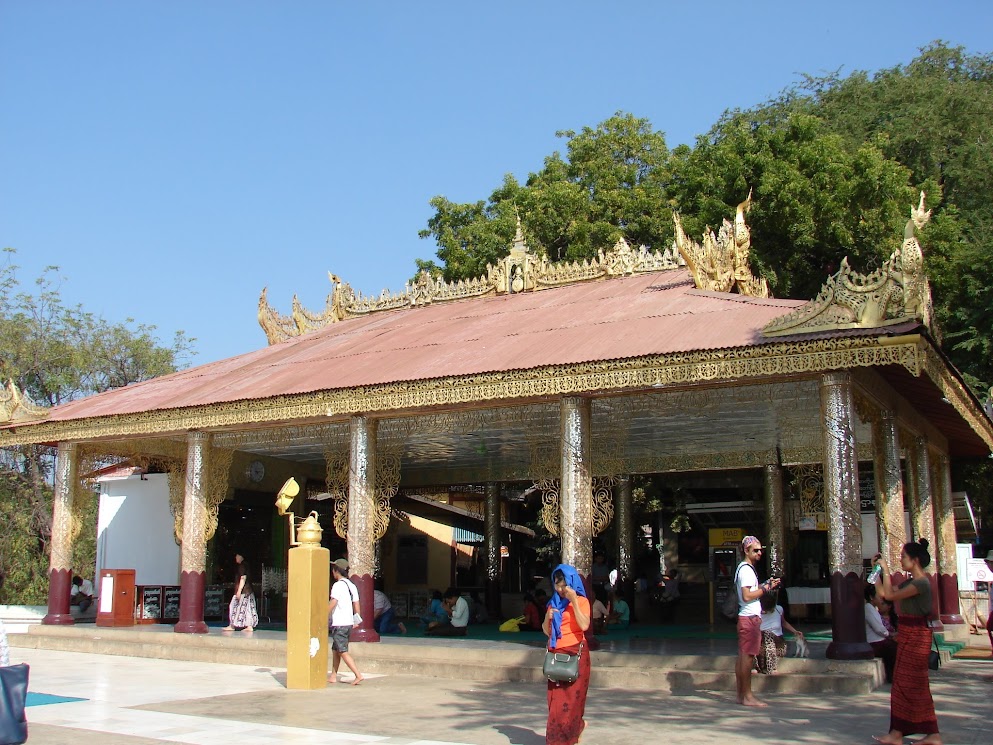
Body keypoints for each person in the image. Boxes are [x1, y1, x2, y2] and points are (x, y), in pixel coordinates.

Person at [871, 539, 941, 744]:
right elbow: (884, 594)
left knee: (912, 683)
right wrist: (877, 571)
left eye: (903, 557)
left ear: (915, 560)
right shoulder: (911, 582)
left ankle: (928, 733)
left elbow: (890, 596)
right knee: (903, 684)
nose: (901, 560)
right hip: (908, 633)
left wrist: (885, 569)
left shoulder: (921, 583)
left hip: (917, 635)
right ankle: (900, 732)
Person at [542, 564, 591, 745]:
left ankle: (570, 736)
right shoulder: (553, 603)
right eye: (557, 585)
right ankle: (557, 739)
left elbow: (584, 625)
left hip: (576, 655)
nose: (561, 589)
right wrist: (548, 618)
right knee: (555, 702)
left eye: (564, 585)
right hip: (556, 655)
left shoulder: (582, 602)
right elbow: (547, 631)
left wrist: (574, 601)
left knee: (572, 703)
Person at [735, 535, 780, 706]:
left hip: (745, 617)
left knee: (742, 656)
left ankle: (741, 695)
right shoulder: (746, 570)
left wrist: (764, 585)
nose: (759, 553)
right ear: (746, 551)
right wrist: (766, 588)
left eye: (761, 550)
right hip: (750, 618)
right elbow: (747, 596)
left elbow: (750, 590)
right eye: (756, 550)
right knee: (747, 658)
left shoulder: (743, 568)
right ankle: (747, 696)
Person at [328, 559, 363, 685]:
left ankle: (358, 674)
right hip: (347, 623)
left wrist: (322, 613)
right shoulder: (351, 585)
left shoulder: (337, 585)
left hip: (340, 623)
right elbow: (356, 603)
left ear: (336, 571)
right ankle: (333, 675)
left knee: (342, 651)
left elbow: (333, 602)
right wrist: (356, 619)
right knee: (336, 650)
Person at [754, 590, 803, 675]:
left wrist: (795, 631)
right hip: (761, 639)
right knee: (763, 638)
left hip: (776, 639)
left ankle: (771, 666)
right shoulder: (756, 609)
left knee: (770, 639)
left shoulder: (779, 609)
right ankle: (758, 666)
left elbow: (783, 622)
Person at [865, 584, 897, 683]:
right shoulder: (868, 608)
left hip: (879, 640)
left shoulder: (872, 608)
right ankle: (892, 676)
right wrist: (890, 635)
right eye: (878, 596)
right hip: (874, 642)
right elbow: (878, 628)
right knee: (892, 648)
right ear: (871, 597)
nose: (881, 599)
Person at [222, 554, 258, 633]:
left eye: (237, 556)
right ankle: (249, 626)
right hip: (248, 591)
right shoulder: (246, 565)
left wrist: (239, 591)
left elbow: (243, 577)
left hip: (243, 591)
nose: (236, 558)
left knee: (234, 606)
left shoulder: (242, 566)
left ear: (241, 556)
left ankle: (232, 625)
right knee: (248, 608)